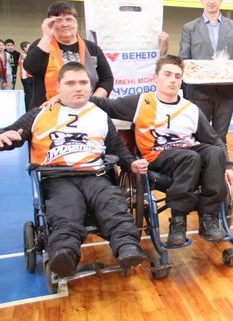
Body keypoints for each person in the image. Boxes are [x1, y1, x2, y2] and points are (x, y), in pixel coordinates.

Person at [48, 55, 233, 245]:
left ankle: (208, 217)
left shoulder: (191, 109)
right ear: (155, 78)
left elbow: (214, 141)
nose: (172, 80)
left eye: (177, 76)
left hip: (187, 154)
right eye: (167, 74)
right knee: (190, 157)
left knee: (214, 153)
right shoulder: (140, 102)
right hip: (157, 157)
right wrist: (63, 97)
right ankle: (178, 220)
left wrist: (227, 165)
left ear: (182, 81)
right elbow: (105, 104)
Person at [0, 63, 147, 278]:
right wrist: (3, 136)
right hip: (57, 178)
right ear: (58, 87)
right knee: (66, 208)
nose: (78, 88)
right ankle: (64, 254)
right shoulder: (39, 114)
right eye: (70, 83)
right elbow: (12, 133)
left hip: (94, 175)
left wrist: (131, 163)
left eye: (83, 83)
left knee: (111, 202)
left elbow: (117, 148)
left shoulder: (99, 115)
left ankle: (127, 247)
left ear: (90, 87)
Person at [178, 0, 233, 144]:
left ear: (221, 0)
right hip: (198, 92)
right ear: (201, 0)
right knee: (199, 136)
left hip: (226, 93)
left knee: (220, 138)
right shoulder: (189, 28)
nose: (211, 0)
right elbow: (183, 58)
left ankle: (221, 161)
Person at [23, 1, 114, 110]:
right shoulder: (42, 44)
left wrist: (90, 102)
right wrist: (47, 36)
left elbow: (107, 79)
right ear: (50, 23)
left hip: (86, 110)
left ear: (76, 22)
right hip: (48, 110)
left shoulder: (92, 48)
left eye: (69, 19)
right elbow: (32, 69)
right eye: (58, 20)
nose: (64, 24)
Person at [17, 41, 33, 108]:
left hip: (31, 76)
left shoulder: (30, 55)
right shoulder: (22, 55)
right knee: (28, 94)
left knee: (32, 94)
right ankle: (28, 108)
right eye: (29, 47)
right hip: (25, 77)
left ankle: (32, 107)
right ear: (24, 48)